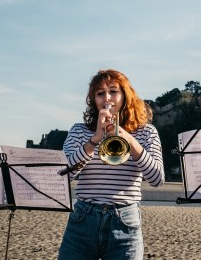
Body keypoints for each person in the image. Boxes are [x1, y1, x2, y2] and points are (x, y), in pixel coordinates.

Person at [58, 69, 164, 260]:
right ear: (94, 100)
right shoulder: (79, 131)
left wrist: (130, 140)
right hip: (83, 219)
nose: (107, 98)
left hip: (125, 222)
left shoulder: (146, 132)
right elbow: (65, 175)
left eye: (113, 91)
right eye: (100, 93)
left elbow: (157, 179)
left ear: (124, 96)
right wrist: (94, 139)